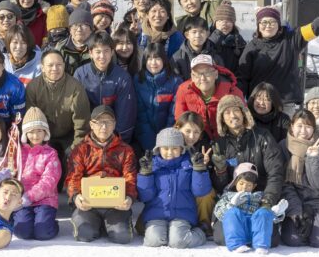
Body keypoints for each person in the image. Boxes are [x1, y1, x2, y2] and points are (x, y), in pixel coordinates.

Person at [238, 0, 319, 104]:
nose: (268, 25)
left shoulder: (293, 39)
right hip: (259, 104)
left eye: (272, 21)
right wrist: (239, 100)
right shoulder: (251, 47)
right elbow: (242, 77)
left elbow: (316, 27)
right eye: (264, 22)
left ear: (279, 24)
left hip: (286, 103)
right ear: (258, 25)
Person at [210, 94, 285, 246]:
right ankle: (248, 233)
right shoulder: (220, 144)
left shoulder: (262, 136)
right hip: (232, 203)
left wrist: (267, 201)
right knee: (221, 237)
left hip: (259, 198)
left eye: (235, 110)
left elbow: (275, 172)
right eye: (227, 112)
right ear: (222, 119)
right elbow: (220, 186)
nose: (232, 116)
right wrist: (220, 170)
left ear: (244, 112)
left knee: (272, 239)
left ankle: (251, 231)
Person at [66, 105, 137, 244]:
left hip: (115, 205)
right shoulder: (81, 149)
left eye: (108, 122)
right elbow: (73, 177)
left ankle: (112, 224)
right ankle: (93, 223)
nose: (104, 127)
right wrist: (75, 197)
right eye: (99, 122)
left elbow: (130, 177)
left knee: (122, 237)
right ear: (91, 124)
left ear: (114, 124)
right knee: (84, 233)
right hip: (89, 204)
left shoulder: (126, 150)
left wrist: (129, 198)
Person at [138, 127, 212, 249]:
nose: (170, 152)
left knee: (178, 241)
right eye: (165, 148)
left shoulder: (188, 165)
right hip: (157, 213)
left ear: (181, 149)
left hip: (182, 214)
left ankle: (201, 232)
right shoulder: (152, 165)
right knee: (153, 240)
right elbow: (145, 196)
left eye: (175, 148)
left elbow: (201, 191)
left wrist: (199, 168)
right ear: (158, 149)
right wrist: (145, 173)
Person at [279, 109, 319, 249]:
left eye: (308, 126)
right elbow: (284, 183)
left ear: (314, 128)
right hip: (297, 199)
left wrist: (313, 158)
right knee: (293, 240)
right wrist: (296, 209)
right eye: (299, 126)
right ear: (292, 126)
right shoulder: (283, 145)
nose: (303, 131)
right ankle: (307, 219)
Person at [25, 48, 91, 163]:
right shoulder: (33, 87)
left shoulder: (75, 87)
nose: (55, 69)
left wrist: (75, 147)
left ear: (64, 65)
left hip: (68, 135)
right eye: (50, 65)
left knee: (72, 158)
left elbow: (82, 123)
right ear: (42, 67)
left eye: (59, 64)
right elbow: (30, 120)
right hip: (42, 135)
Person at [73, 31, 136, 144]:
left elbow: (125, 115)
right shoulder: (80, 75)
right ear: (90, 53)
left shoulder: (122, 78)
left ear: (112, 52)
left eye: (106, 51)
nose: (102, 56)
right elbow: (78, 112)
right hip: (88, 134)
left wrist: (118, 142)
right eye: (98, 52)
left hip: (113, 135)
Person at [12, 108, 62, 241]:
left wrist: (30, 196)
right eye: (31, 132)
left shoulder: (51, 154)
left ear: (45, 132)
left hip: (45, 199)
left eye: (39, 131)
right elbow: (10, 171)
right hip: (22, 200)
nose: (35, 136)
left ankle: (52, 224)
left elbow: (49, 181)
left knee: (43, 233)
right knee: (22, 232)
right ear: (25, 133)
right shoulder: (18, 151)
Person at [175, 54, 244, 142]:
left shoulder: (232, 91)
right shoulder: (183, 90)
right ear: (192, 76)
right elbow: (180, 121)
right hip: (197, 139)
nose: (202, 78)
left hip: (228, 138)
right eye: (198, 74)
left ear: (216, 74)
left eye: (207, 73)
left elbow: (244, 119)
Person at [213, 162, 277, 254]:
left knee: (263, 212)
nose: (244, 188)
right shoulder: (228, 196)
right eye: (241, 183)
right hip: (238, 229)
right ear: (235, 182)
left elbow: (267, 219)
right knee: (233, 212)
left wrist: (275, 213)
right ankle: (236, 245)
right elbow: (218, 211)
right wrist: (230, 205)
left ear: (254, 186)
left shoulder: (259, 197)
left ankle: (261, 245)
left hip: (254, 230)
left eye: (249, 185)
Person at [134, 43, 184, 152]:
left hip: (169, 139)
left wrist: (165, 140)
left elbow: (174, 114)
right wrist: (151, 144)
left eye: (157, 58)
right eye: (149, 59)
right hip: (144, 138)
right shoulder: (138, 80)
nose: (153, 63)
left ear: (164, 60)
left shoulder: (175, 82)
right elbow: (140, 115)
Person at [171, 15, 219, 80]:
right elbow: (175, 82)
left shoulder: (215, 55)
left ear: (207, 34)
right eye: (194, 32)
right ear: (187, 35)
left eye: (201, 32)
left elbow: (220, 78)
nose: (198, 35)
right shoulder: (177, 57)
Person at [209, 1, 246, 73]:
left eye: (228, 21)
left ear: (233, 23)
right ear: (215, 23)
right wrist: (218, 33)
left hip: (232, 79)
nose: (224, 24)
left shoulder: (239, 40)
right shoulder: (208, 37)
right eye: (220, 20)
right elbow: (207, 49)